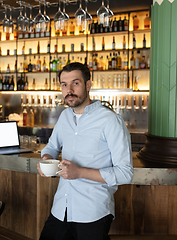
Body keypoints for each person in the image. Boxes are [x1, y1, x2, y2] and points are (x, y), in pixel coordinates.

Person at [37, 62, 133, 240]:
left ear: (88, 85)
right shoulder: (65, 116)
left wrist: (79, 172)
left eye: (75, 83)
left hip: (93, 212)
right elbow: (51, 146)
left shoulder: (110, 121)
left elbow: (125, 173)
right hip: (61, 208)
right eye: (64, 84)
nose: (69, 90)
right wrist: (46, 159)